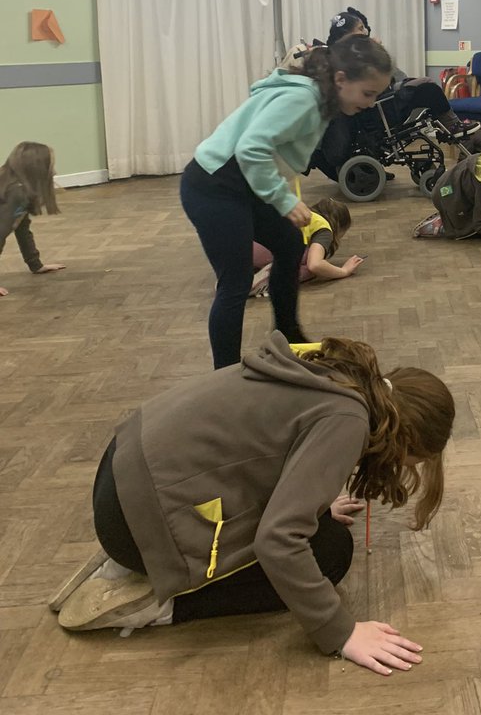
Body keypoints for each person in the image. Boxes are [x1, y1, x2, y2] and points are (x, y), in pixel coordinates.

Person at [51, 333, 455, 677]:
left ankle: (136, 561)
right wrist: (341, 632)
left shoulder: (339, 374)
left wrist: (312, 501)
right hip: (136, 517)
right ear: (406, 441)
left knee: (319, 530)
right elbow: (279, 540)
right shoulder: (348, 419)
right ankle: (156, 603)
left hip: (125, 471)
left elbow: (260, 450)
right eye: (409, 463)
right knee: (330, 552)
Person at [180, 36, 393, 368]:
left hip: (244, 183)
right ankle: (225, 374)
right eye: (368, 93)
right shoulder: (303, 99)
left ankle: (289, 334)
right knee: (235, 282)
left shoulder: (320, 98)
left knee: (290, 243)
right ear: (340, 80)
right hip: (214, 185)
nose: (371, 103)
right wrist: (281, 198)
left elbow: (272, 152)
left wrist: (279, 193)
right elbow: (251, 149)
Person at [309, 8, 476, 183]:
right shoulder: (349, 58)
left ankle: (452, 125)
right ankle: (453, 126)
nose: (364, 31)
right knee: (429, 89)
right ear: (347, 34)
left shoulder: (351, 53)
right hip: (378, 111)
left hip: (381, 103)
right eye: (359, 28)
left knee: (424, 85)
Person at [249, 197, 365, 295]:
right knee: (311, 263)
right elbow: (315, 265)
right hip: (256, 249)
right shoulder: (324, 229)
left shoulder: (305, 216)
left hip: (244, 241)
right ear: (339, 227)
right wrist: (344, 271)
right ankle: (267, 280)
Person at [0, 141, 65, 296]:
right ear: (35, 169)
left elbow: (22, 228)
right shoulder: (16, 193)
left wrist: (35, 264)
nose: (54, 172)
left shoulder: (19, 190)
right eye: (49, 167)